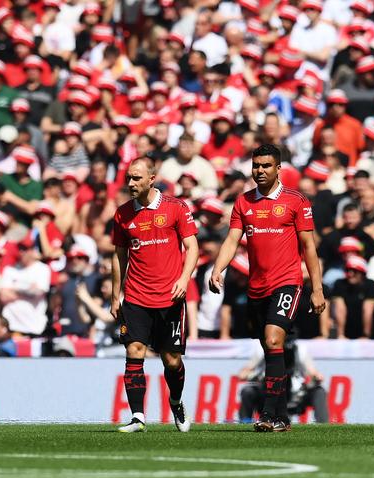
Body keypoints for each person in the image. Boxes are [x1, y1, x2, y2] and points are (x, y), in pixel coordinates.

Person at [209, 144, 326, 432]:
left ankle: (269, 415)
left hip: (288, 283)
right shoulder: (243, 202)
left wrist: (317, 288)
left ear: (278, 169)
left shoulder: (296, 201)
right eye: (256, 166)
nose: (259, 171)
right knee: (270, 348)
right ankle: (282, 418)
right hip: (256, 288)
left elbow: (309, 247)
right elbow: (232, 240)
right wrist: (217, 268)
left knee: (273, 339)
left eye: (266, 166)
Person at [111, 156, 199, 433]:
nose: (131, 183)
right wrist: (117, 295)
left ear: (152, 179)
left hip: (170, 298)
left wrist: (184, 279)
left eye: (136, 178)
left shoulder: (176, 207)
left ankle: (175, 400)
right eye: (128, 178)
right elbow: (119, 256)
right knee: (134, 350)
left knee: (171, 360)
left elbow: (192, 247)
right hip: (136, 296)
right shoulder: (122, 214)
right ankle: (137, 416)